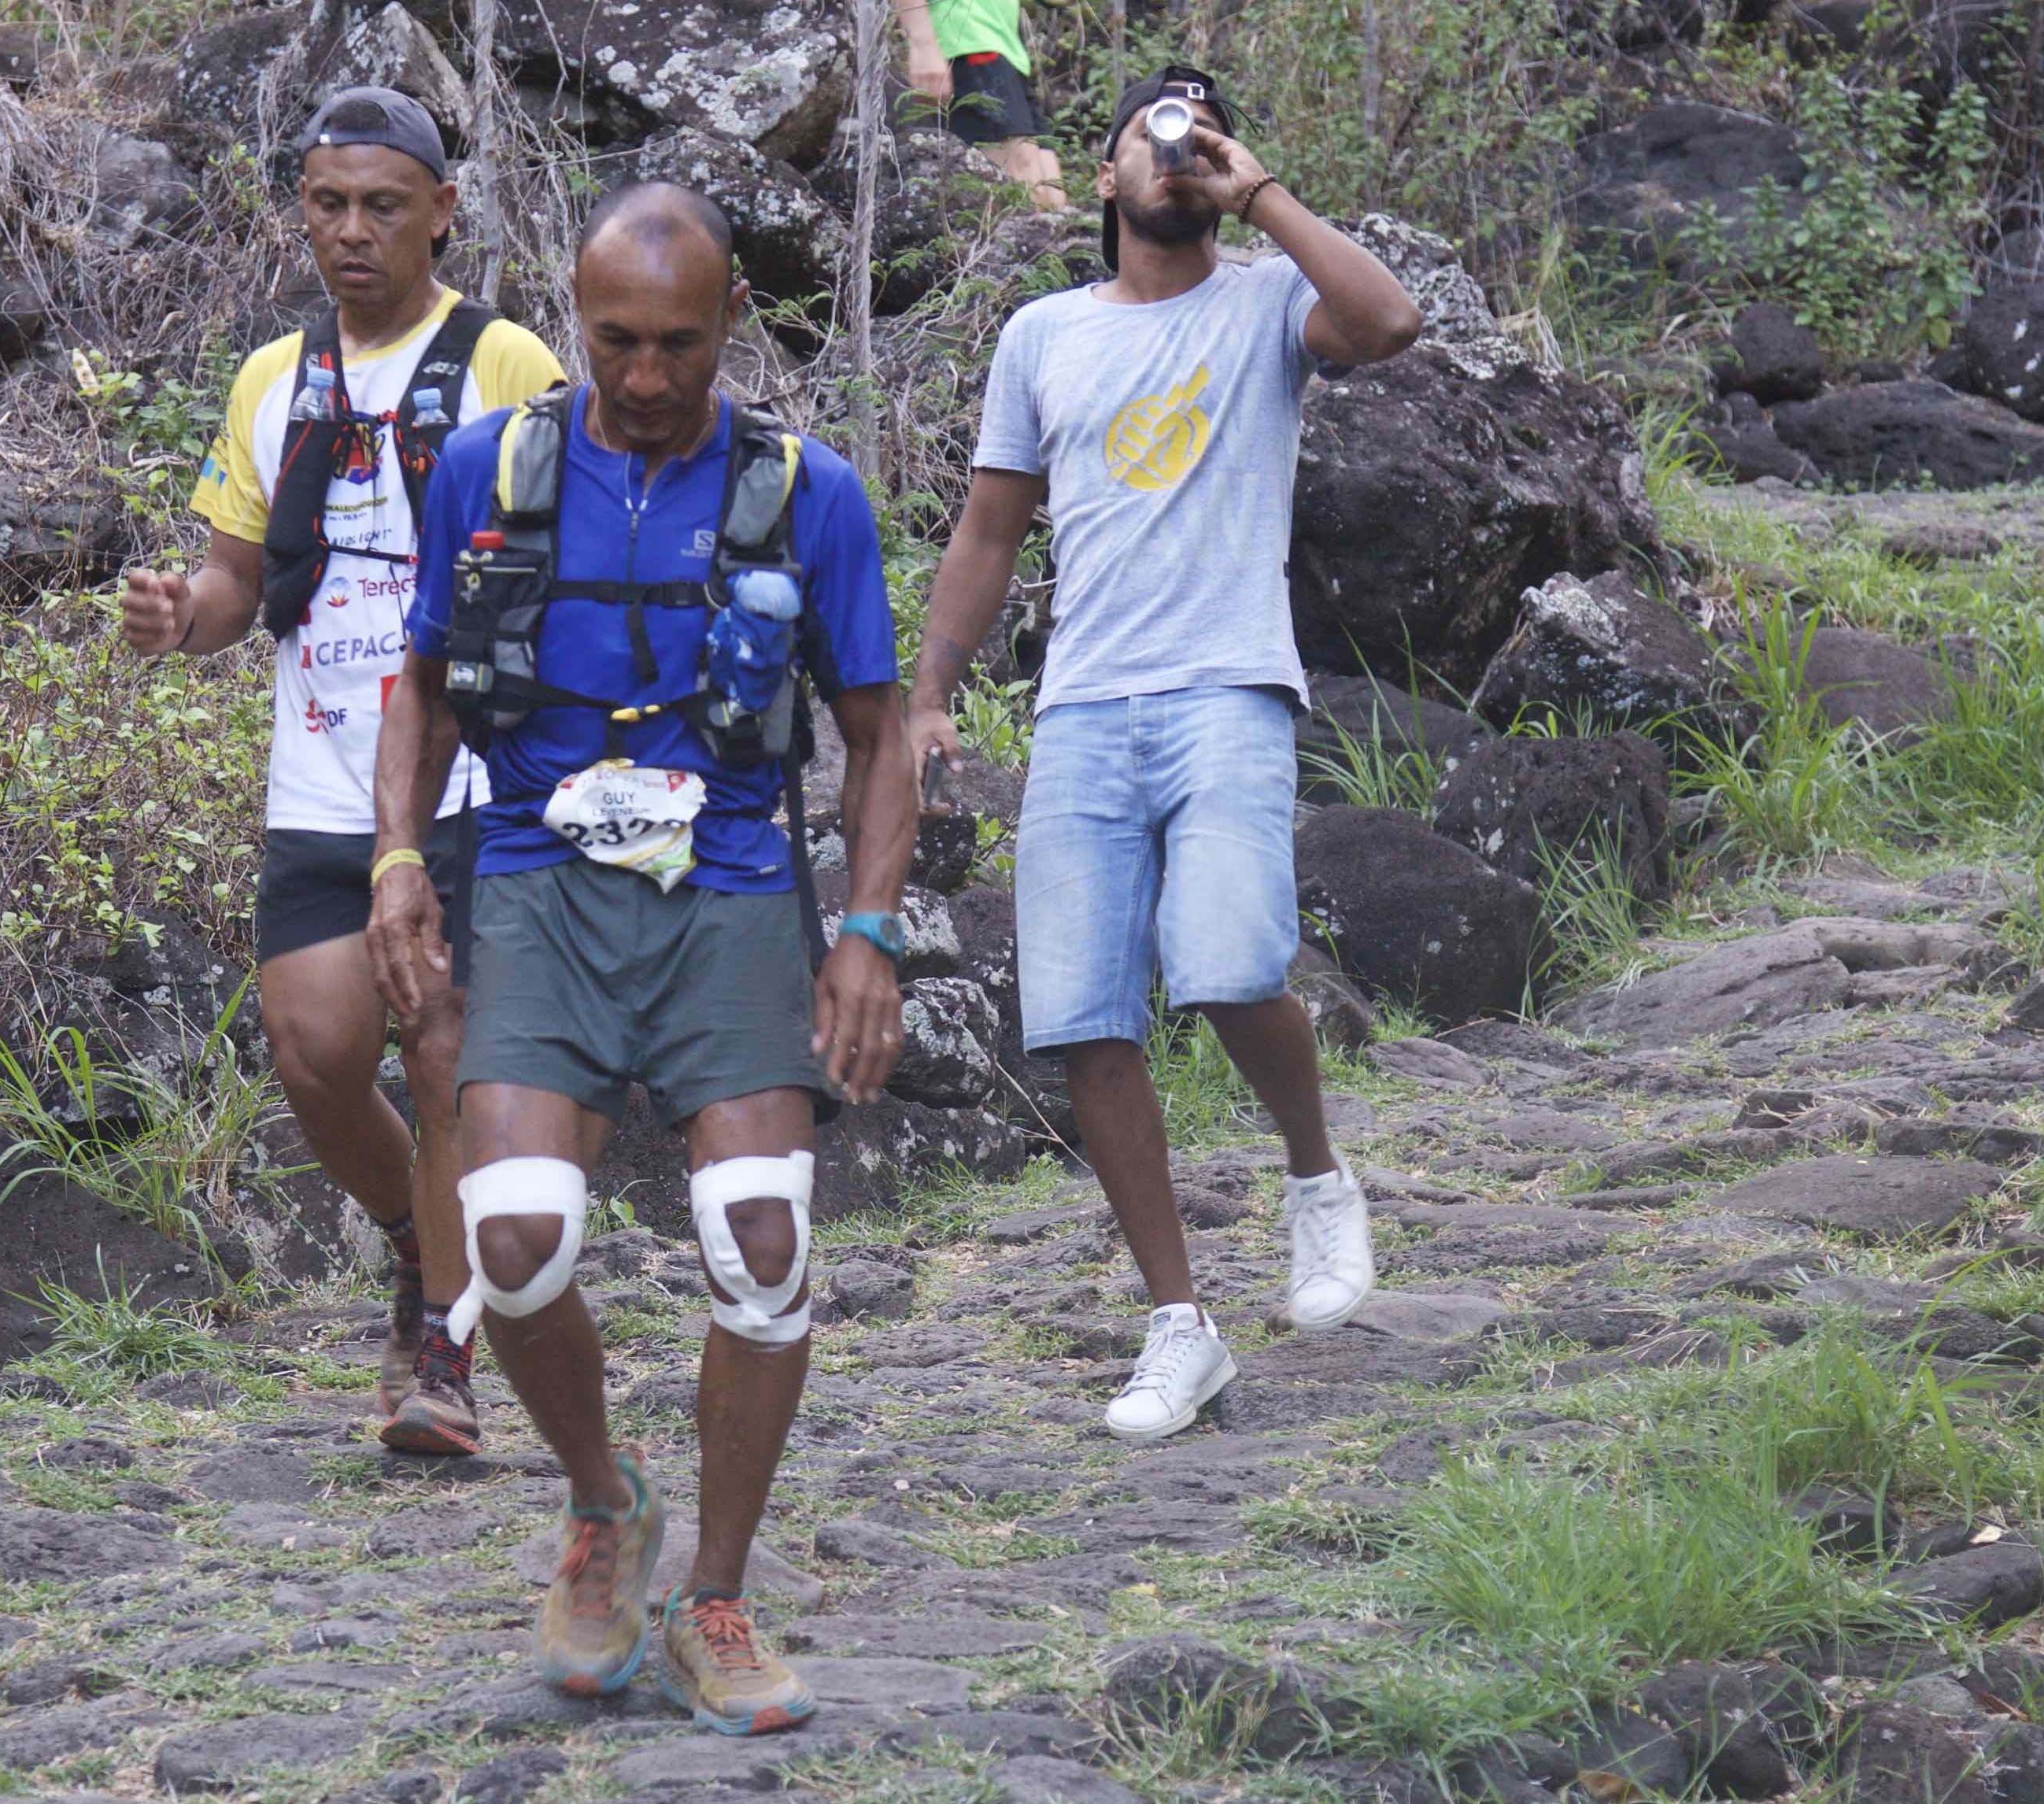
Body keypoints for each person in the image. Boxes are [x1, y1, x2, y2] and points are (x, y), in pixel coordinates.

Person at [365, 183, 916, 1734]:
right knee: (519, 1236)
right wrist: (401, 858)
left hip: (729, 883)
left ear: (732, 320)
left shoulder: (813, 494)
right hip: (542, 876)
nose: (651, 373)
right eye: (618, 339)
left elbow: (879, 741)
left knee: (760, 1244)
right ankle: (604, 1508)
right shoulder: (489, 465)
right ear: (575, 315)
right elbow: (420, 683)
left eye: (680, 341)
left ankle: (719, 1594)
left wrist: (864, 931)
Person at [907, 67, 1423, 1443]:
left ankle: (1316, 1178)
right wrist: (929, 691)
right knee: (1081, 1018)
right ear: (1102, 178)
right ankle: (1179, 1325)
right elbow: (989, 528)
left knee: (1229, 959)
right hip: (1083, 708)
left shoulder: (1262, 301)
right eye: (1153, 128)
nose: (1176, 145)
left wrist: (1255, 193)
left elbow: (1387, 320)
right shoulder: (1043, 335)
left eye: (1197, 127)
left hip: (1226, 690)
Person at [120, 87, 565, 1456]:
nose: (354, 231)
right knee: (316, 1053)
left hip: (473, 783)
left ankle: (445, 1352)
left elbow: (576, 542)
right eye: (329, 204)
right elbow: (237, 578)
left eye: (384, 204)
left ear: (442, 207)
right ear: (301, 209)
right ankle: (410, 1241)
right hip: (316, 772)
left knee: (441, 1047)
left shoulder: (504, 363)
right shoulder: (274, 378)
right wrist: (178, 613)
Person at [896, 0, 1066, 210]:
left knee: (1051, 196)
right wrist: (923, 43)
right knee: (1018, 190)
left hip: (1008, 52)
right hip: (967, 39)